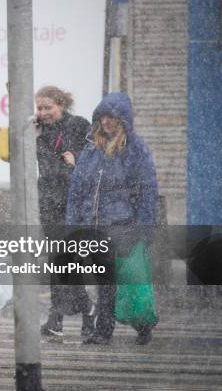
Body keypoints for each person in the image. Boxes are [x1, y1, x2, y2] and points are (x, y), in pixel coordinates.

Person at [66, 92, 158, 345]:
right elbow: (77, 190)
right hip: (96, 227)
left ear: (123, 119)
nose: (106, 122)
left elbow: (147, 191)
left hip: (124, 226)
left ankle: (143, 324)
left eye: (112, 117)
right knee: (104, 283)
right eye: (103, 117)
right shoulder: (91, 149)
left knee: (131, 280)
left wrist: (144, 227)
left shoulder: (136, 150)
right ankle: (103, 330)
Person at [34, 86, 94, 341]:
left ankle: (75, 312)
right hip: (49, 202)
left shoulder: (79, 125)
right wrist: (33, 135)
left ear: (62, 105)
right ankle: (68, 315)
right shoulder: (38, 130)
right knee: (58, 261)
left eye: (48, 107)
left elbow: (96, 157)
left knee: (66, 261)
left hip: (72, 202)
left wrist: (77, 160)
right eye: (40, 108)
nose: (43, 112)